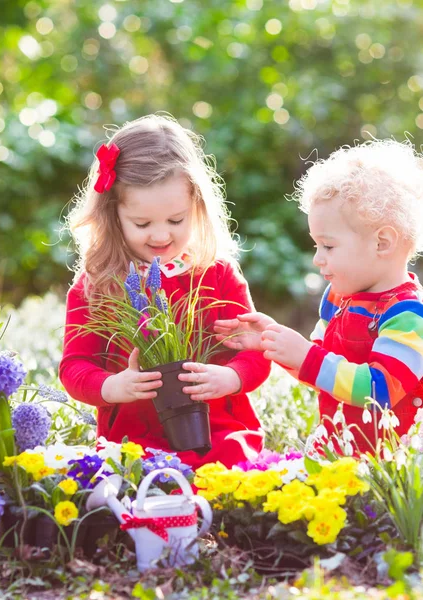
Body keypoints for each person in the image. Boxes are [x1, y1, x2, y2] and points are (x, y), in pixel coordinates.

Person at [215, 139, 423, 453]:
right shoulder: (339, 297)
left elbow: (377, 390)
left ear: (382, 243)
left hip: (396, 467)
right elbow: (324, 371)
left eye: (328, 246)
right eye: (316, 245)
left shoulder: (411, 316)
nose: (317, 258)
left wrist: (306, 356)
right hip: (342, 450)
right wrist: (274, 343)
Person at [59, 114, 270, 468]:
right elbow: (74, 366)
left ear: (198, 207)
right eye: (142, 224)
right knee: (131, 477)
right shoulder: (97, 285)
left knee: (230, 465)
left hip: (218, 433)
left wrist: (231, 378)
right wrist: (112, 387)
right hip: (133, 441)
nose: (160, 236)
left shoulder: (215, 273)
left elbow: (254, 350)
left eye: (176, 220)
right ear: (113, 216)